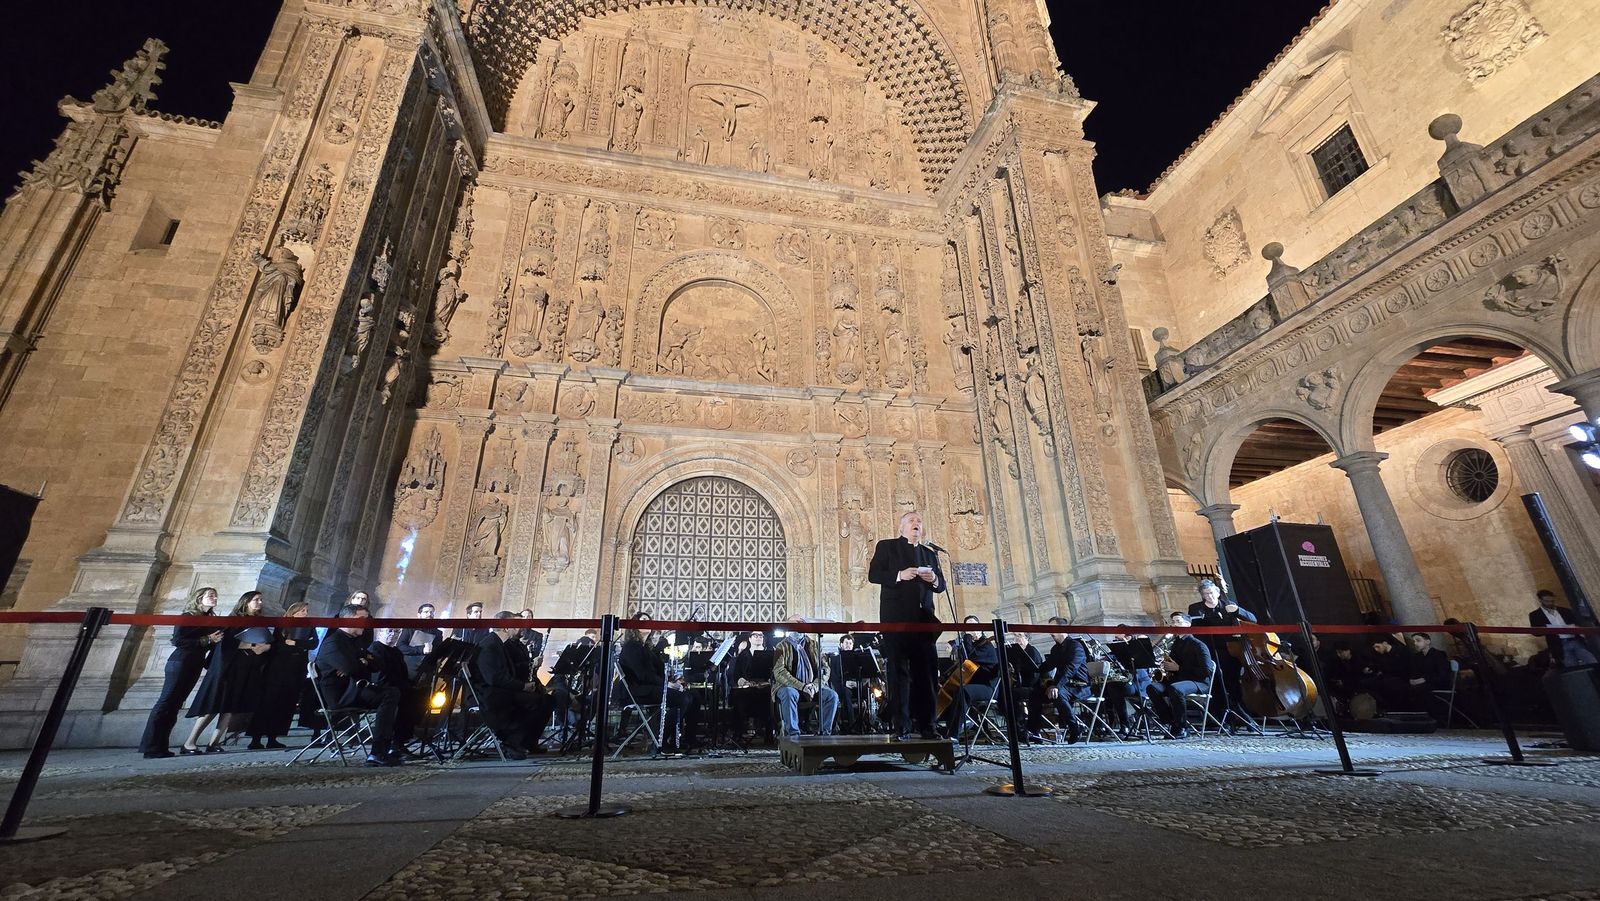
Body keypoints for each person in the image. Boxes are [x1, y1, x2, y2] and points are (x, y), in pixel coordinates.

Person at [869, 510, 945, 740]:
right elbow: (874, 574)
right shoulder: (887, 547)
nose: (916, 523)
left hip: (924, 621)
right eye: (911, 520)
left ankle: (928, 725)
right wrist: (899, 575)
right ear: (901, 527)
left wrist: (934, 579)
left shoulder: (929, 554)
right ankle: (901, 726)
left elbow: (941, 586)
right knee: (898, 674)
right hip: (896, 620)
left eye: (919, 521)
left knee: (926, 674)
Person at [182, 590, 273, 753]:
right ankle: (190, 742)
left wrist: (266, 647)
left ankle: (214, 743)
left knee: (231, 707)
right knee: (213, 705)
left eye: (261, 599)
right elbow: (227, 643)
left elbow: (266, 640)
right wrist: (253, 646)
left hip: (246, 668)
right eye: (256, 599)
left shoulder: (260, 621)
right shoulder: (233, 620)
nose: (260, 602)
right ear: (246, 602)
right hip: (228, 668)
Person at [138, 587, 223, 758]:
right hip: (180, 662)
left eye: (215, 596)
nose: (214, 598)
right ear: (199, 599)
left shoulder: (210, 620)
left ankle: (162, 746)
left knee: (175, 705)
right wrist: (207, 639)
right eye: (210, 596)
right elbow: (178, 640)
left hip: (194, 663)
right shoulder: (188, 616)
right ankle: (151, 746)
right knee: (166, 702)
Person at [315, 605, 403, 767]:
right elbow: (351, 668)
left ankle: (386, 748)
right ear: (346, 620)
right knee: (389, 694)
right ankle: (377, 752)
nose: (365, 623)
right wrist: (362, 661)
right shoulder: (333, 643)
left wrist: (360, 662)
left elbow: (377, 665)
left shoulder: (355, 642)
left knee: (394, 692)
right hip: (341, 695)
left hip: (354, 688)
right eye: (361, 619)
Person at [466, 613, 554, 758]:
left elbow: (506, 672)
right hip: (490, 696)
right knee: (536, 701)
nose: (522, 628)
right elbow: (494, 678)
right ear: (506, 627)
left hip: (500, 691)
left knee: (545, 700)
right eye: (518, 625)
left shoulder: (499, 644)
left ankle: (526, 741)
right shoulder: (490, 645)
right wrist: (523, 687)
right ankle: (513, 741)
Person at [1187, 578, 1258, 732]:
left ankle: (1241, 718)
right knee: (1216, 686)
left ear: (1218, 593)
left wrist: (1238, 610)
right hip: (1209, 652)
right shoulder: (1195, 609)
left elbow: (1253, 619)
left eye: (1211, 593)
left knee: (1232, 685)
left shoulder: (1228, 605)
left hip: (1230, 652)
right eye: (1205, 594)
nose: (1209, 596)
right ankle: (1223, 720)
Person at [247, 600, 319, 750]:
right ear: (294, 612)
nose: (305, 614)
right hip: (278, 669)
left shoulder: (309, 626)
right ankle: (256, 738)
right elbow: (278, 645)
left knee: (286, 704)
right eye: (302, 611)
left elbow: (313, 643)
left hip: (297, 669)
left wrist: (295, 643)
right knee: (267, 703)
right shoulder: (282, 625)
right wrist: (300, 645)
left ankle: (273, 737)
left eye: (306, 611)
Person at [618, 626, 697, 752]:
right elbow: (642, 674)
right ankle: (660, 742)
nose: (646, 624)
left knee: (693, 696)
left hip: (650, 687)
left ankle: (683, 740)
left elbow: (657, 671)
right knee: (682, 699)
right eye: (643, 620)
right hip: (638, 690)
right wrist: (666, 684)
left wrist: (672, 681)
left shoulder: (646, 648)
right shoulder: (631, 647)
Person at [1147, 613, 1213, 737]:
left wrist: (1179, 668)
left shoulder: (1198, 645)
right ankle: (1171, 722)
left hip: (1198, 681)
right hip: (1179, 679)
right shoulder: (1176, 643)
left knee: (1175, 689)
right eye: (1173, 622)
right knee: (1152, 688)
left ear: (1188, 624)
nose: (1174, 624)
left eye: (1178, 621)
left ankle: (1182, 727)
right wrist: (1165, 665)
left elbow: (1206, 671)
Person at [772, 618, 837, 737]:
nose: (798, 626)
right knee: (788, 693)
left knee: (832, 696)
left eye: (801, 623)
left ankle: (824, 733)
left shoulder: (814, 645)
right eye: (795, 624)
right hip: (789, 686)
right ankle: (793, 734)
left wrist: (815, 686)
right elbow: (779, 672)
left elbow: (825, 668)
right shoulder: (781, 646)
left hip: (813, 686)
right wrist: (802, 686)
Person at [1032, 618, 1090, 743]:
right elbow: (1047, 666)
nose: (1050, 632)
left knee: (1058, 694)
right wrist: (1031, 667)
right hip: (1063, 685)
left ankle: (1075, 727)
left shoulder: (1076, 646)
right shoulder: (1056, 649)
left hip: (1080, 686)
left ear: (1062, 629)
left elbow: (1071, 669)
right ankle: (1034, 731)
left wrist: (1056, 686)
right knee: (1035, 693)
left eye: (1052, 628)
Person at [942, 615, 999, 739]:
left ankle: (954, 733)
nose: (971, 629)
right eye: (968, 626)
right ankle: (947, 726)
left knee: (963, 691)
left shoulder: (987, 646)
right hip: (973, 684)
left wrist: (967, 637)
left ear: (980, 629)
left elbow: (971, 657)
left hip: (989, 687)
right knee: (950, 689)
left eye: (973, 625)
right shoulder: (970, 645)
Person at [1529, 589, 1598, 669]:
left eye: (1552, 601)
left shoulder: (1565, 610)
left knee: (1592, 661)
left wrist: (1577, 628)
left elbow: (1577, 623)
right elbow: (1535, 632)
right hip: (1559, 645)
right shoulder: (1535, 614)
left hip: (1575, 640)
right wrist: (1545, 628)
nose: (1550, 603)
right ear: (1540, 600)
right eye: (1547, 601)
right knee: (1572, 668)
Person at [731, 631, 774, 741]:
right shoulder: (743, 655)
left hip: (765, 688)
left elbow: (773, 673)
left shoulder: (770, 654)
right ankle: (739, 732)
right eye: (755, 635)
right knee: (739, 699)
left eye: (760, 635)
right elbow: (736, 674)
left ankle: (768, 733)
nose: (758, 637)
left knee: (770, 699)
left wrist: (767, 682)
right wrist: (745, 682)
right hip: (747, 688)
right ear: (750, 638)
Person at [1406, 632, 1452, 711]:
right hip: (1423, 685)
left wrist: (1424, 679)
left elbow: (1443, 676)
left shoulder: (1438, 654)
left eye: (1418, 640)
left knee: (1418, 691)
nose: (1415, 643)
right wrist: (1413, 680)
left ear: (1427, 641)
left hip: (1437, 684)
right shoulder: (1417, 657)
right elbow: (1415, 672)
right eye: (1414, 641)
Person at [397, 602, 443, 678]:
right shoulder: (410, 628)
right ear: (419, 615)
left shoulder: (438, 633)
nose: (429, 614)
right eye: (426, 612)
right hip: (406, 668)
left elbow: (438, 652)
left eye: (432, 612)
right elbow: (400, 647)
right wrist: (421, 649)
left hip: (426, 672)